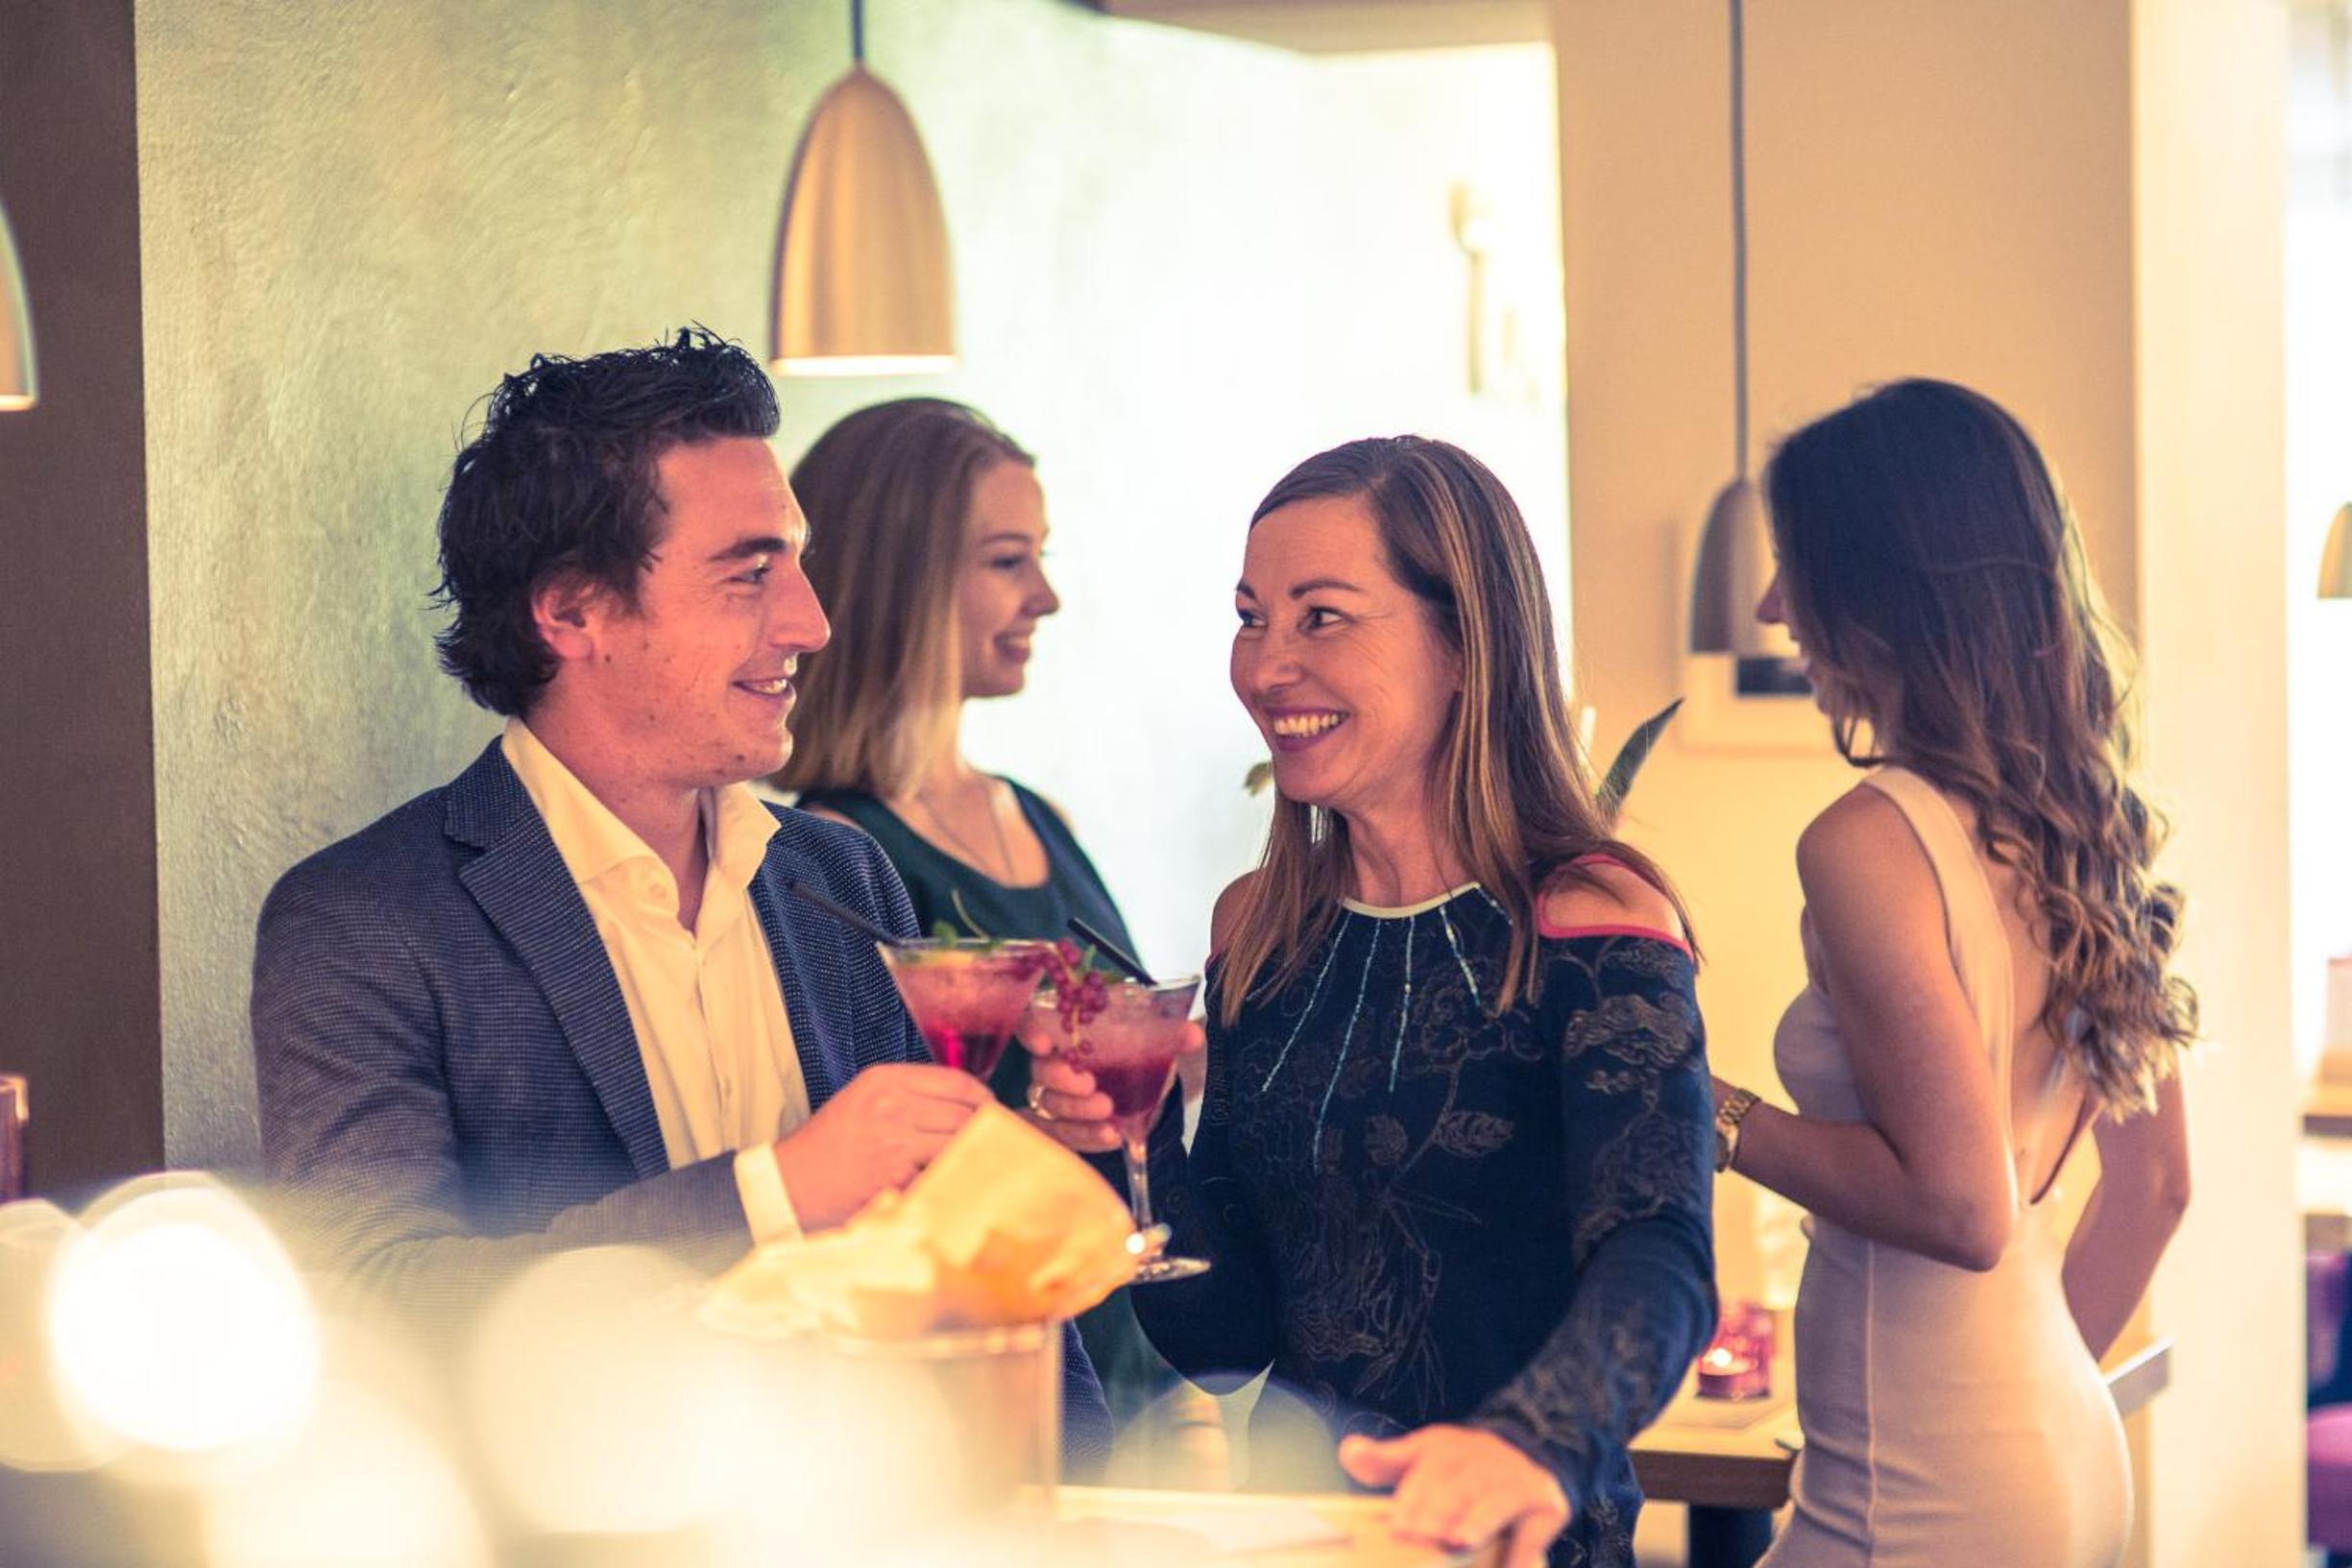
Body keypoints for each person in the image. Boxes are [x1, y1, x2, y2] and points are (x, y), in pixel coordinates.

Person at [249, 330, 1109, 1464]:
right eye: (750, 572)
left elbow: (954, 1250)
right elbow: (373, 1299)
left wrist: (1088, 1489)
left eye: (796, 564)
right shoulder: (364, 919)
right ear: (573, 613)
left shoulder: (837, 875)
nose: (810, 622)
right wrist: (773, 1191)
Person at [1029, 436, 1717, 1568]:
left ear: (1465, 645)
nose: (1266, 666)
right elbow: (1221, 1337)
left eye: (1322, 617)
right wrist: (1125, 1141)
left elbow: (1662, 1255)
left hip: (1517, 1540)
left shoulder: (1592, 916)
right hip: (1305, 1542)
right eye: (1251, 618)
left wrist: (1533, 1441)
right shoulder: (1256, 927)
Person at [1715, 379, 2195, 1566]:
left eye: (1793, 567)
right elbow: (2156, 1187)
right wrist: (2013, 1408)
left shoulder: (1866, 840)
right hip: (2053, 1441)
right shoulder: (2087, 823)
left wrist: (1704, 1107)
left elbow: (1959, 1208)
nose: (1773, 608)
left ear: (1880, 590)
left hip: (1913, 1493)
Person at [774, 397, 1196, 1449]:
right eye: (1008, 561)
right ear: (901, 581)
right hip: (997, 1374)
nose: (1045, 596)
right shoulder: (832, 856)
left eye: (1039, 558)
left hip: (1137, 1345)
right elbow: (877, 1187)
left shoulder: (1037, 815)